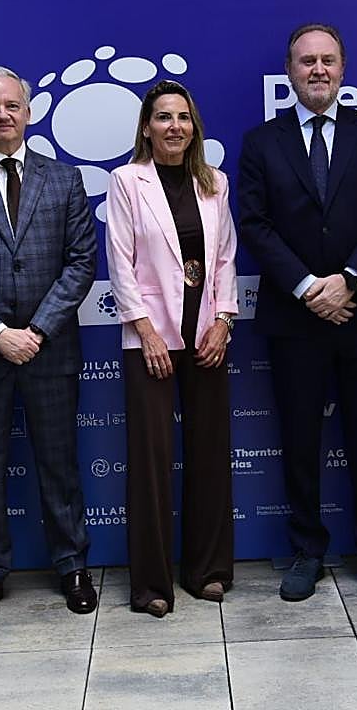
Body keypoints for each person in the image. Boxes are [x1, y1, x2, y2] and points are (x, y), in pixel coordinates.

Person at [237, 23, 357, 602]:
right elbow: (255, 224)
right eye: (307, 61)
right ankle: (307, 550)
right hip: (295, 317)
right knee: (300, 439)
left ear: (343, 69)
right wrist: (311, 287)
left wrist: (349, 281)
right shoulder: (262, 142)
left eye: (328, 61)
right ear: (290, 71)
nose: (318, 70)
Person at [0, 66, 98, 624]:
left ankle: (72, 565)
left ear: (29, 111)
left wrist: (37, 330)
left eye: (11, 105)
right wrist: (0, 334)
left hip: (50, 349)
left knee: (59, 465)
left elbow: (81, 264)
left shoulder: (64, 180)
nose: (2, 114)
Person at [105, 79, 238, 618]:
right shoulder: (125, 180)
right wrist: (146, 332)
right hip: (150, 338)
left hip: (207, 334)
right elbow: (119, 260)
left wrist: (224, 322)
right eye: (163, 117)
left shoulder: (215, 182)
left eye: (183, 117)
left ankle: (207, 570)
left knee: (209, 454)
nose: (174, 127)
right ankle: (151, 585)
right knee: (152, 462)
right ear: (146, 126)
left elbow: (226, 257)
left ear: (195, 127)